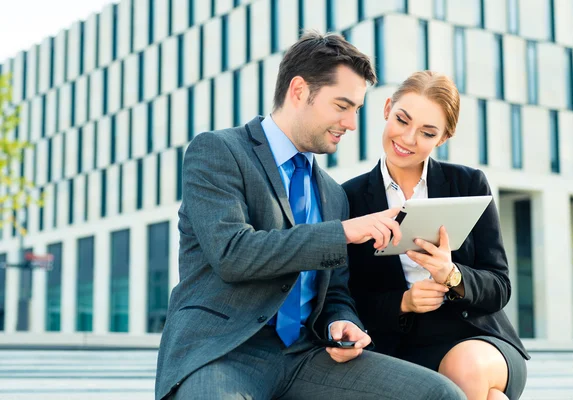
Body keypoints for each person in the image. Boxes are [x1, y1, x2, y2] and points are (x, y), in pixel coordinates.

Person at [155, 32, 466, 400]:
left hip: (305, 356)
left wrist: (342, 321)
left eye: (356, 110)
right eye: (342, 106)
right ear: (299, 90)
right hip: (222, 353)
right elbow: (232, 254)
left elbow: (334, 289)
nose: (351, 123)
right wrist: (343, 233)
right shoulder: (219, 152)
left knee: (440, 395)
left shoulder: (332, 193)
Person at [343, 71, 530, 400]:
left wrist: (454, 275)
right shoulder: (350, 198)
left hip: (479, 339)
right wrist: (404, 302)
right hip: (401, 347)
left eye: (427, 133)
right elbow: (347, 296)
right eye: (402, 120)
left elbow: (499, 286)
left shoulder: (468, 185)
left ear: (443, 138)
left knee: (464, 370)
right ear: (387, 108)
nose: (408, 139)